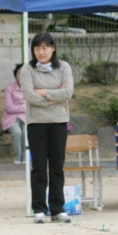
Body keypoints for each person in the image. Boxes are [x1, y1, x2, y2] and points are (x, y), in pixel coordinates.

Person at [20, 32, 73, 224]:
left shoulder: (64, 67)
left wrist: (43, 93)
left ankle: (58, 209)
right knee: (39, 167)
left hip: (58, 122)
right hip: (36, 124)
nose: (41, 52)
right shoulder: (28, 69)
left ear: (53, 48)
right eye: (37, 48)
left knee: (57, 167)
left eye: (45, 47)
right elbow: (28, 95)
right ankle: (39, 209)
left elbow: (68, 92)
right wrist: (53, 98)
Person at [2, 64, 26, 163]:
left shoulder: (30, 88)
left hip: (26, 117)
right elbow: (9, 107)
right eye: (19, 73)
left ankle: (25, 159)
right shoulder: (10, 88)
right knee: (17, 132)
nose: (21, 75)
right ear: (15, 74)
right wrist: (24, 107)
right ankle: (17, 159)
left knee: (26, 132)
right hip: (12, 118)